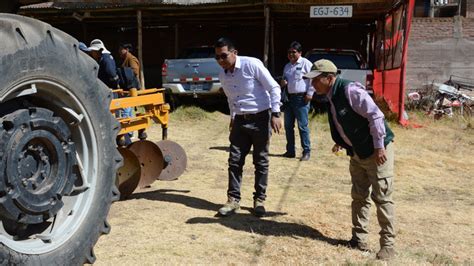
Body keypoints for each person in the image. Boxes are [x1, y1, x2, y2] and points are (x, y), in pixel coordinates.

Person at [304, 59, 396, 260]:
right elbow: (345, 121)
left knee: (382, 197)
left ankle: (388, 245)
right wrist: (343, 142)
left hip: (377, 151)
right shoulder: (330, 94)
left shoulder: (350, 90)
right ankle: (358, 238)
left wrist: (379, 147)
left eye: (316, 80)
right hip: (357, 152)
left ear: (329, 78)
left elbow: (376, 116)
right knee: (359, 196)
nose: (312, 85)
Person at [214, 37, 282, 217]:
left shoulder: (252, 65)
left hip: (260, 118)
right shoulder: (222, 75)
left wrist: (276, 113)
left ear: (234, 53)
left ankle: (259, 200)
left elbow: (274, 87)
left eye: (223, 56)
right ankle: (233, 200)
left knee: (260, 161)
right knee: (234, 161)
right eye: (217, 58)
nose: (220, 61)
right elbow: (231, 98)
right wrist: (232, 117)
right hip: (239, 121)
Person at [280, 41, 314, 161]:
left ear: (300, 52)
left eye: (293, 52)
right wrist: (283, 83)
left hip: (301, 98)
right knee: (288, 126)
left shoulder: (306, 63)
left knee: (302, 126)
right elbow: (284, 80)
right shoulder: (287, 66)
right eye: (289, 52)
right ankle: (290, 151)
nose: (291, 54)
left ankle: (306, 151)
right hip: (289, 99)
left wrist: (310, 93)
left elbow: (313, 79)